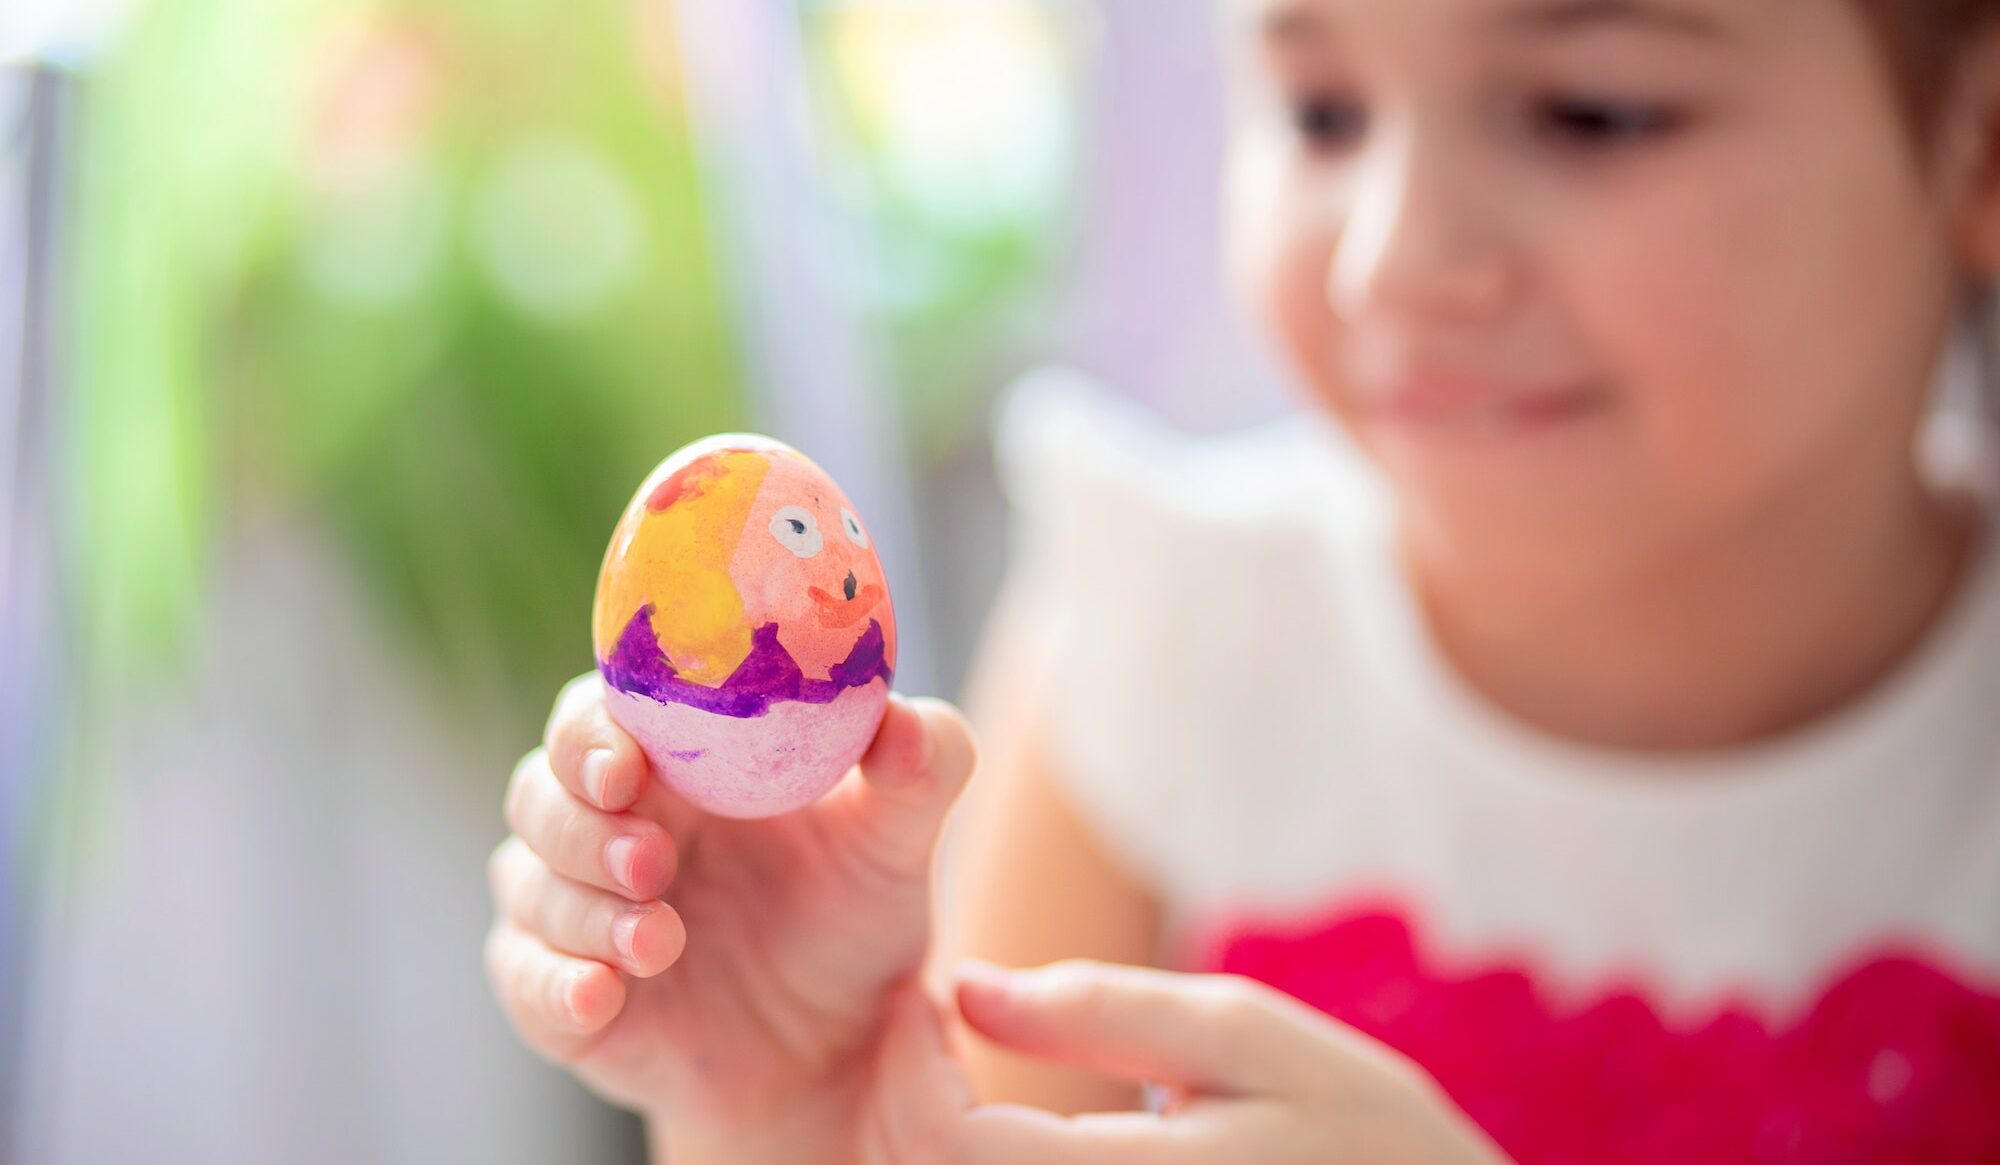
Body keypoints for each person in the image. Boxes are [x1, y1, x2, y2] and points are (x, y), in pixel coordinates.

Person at [484, 0, 2000, 1160]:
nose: (1395, 263)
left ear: (1978, 139)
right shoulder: (1161, 645)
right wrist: (787, 1122)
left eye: (1591, 111)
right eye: (1326, 110)